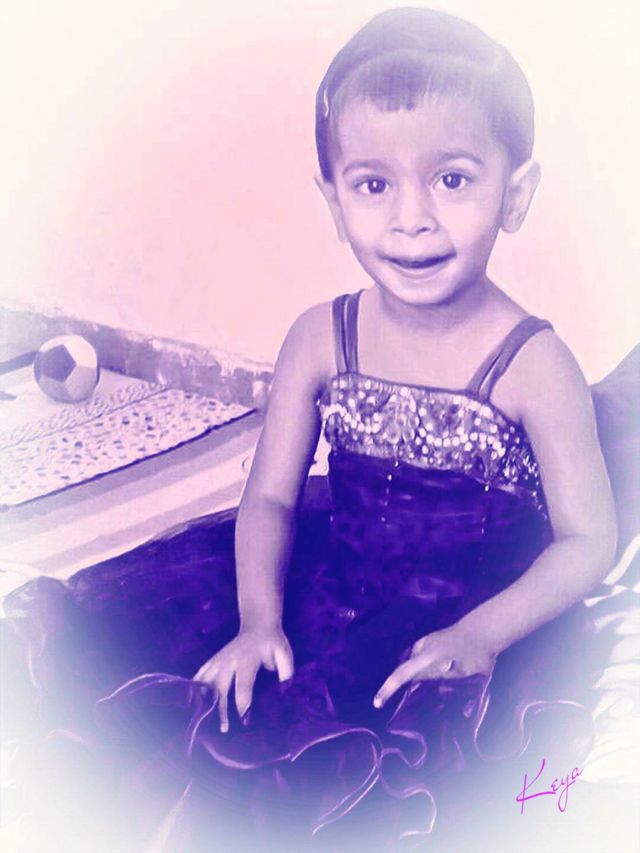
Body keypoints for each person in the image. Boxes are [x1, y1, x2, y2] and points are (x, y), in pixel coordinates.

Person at [2, 7, 630, 853]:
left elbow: (589, 539)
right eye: (373, 185)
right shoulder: (319, 337)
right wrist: (258, 620)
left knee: (319, 760)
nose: (411, 219)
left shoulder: (534, 363)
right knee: (134, 659)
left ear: (515, 194)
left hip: (468, 598)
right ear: (333, 201)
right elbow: (268, 499)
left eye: (452, 179)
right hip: (338, 563)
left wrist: (481, 634)